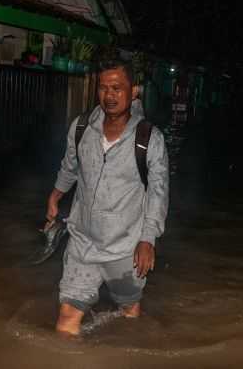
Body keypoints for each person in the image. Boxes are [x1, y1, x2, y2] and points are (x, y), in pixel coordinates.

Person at [45, 59, 170, 336]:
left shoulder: (149, 138)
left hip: (125, 248)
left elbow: (158, 194)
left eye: (117, 88)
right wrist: (55, 196)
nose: (109, 95)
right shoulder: (81, 128)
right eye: (103, 88)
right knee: (67, 320)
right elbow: (70, 166)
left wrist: (148, 240)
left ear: (134, 90)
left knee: (129, 315)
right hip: (82, 242)